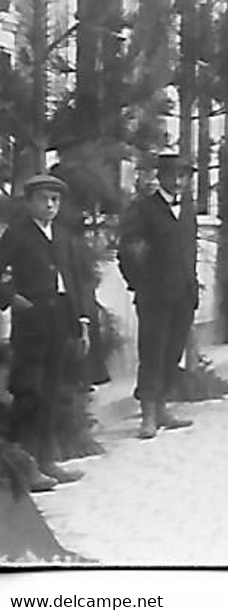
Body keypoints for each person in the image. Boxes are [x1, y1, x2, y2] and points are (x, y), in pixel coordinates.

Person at [0, 174, 91, 490]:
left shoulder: (63, 236)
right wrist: (12, 298)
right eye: (43, 199)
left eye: (55, 199)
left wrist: (81, 320)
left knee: (51, 391)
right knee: (30, 392)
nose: (50, 205)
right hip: (31, 325)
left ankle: (46, 459)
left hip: (59, 321)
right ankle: (21, 465)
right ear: (30, 202)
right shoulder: (18, 234)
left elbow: (74, 280)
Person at [117, 151, 200, 439]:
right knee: (152, 353)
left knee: (171, 352)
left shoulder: (188, 210)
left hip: (183, 295)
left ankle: (163, 407)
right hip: (155, 297)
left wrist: (193, 284)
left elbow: (190, 251)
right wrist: (139, 284)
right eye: (173, 175)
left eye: (184, 176)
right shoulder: (143, 210)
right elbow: (127, 251)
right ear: (160, 177)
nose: (178, 182)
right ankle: (148, 414)